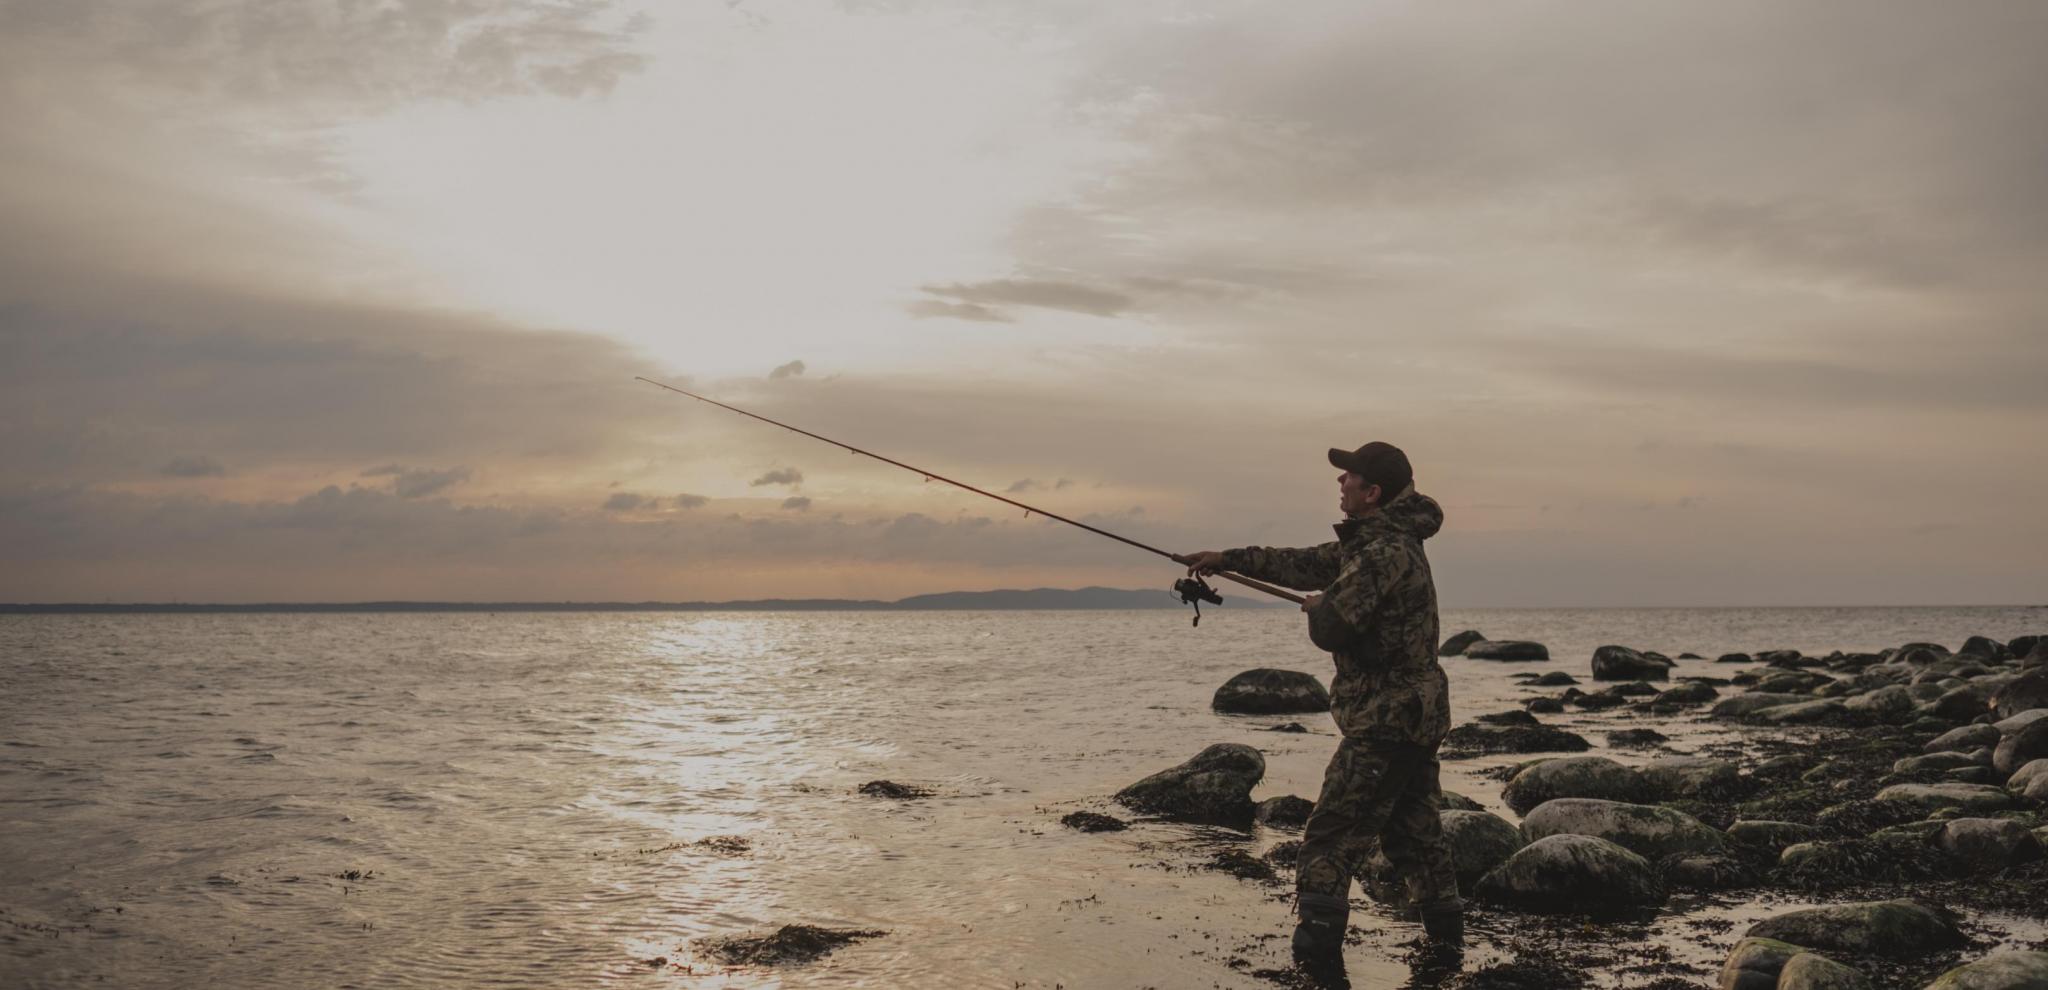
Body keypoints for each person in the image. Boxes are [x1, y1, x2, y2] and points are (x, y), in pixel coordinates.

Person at [1181, 441, 1460, 966]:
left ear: (1372, 493)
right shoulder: (1380, 541)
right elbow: (1305, 562)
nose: (1340, 483)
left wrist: (1320, 607)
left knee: (1329, 839)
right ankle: (1448, 953)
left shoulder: (1382, 552)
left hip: (1385, 722)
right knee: (1415, 836)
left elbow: (1333, 628)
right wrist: (1225, 559)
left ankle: (1317, 961)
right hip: (1413, 717)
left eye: (1348, 476)